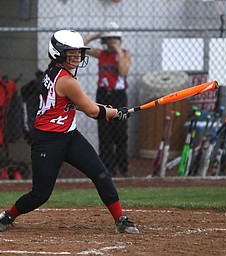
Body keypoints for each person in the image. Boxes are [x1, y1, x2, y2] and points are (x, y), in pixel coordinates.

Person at [0, 29, 139, 234]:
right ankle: (7, 216)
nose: (76, 57)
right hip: (47, 139)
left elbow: (83, 104)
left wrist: (112, 111)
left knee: (100, 174)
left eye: (78, 53)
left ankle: (121, 219)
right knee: (40, 194)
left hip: (69, 135)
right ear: (57, 53)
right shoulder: (66, 80)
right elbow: (91, 111)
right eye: (70, 53)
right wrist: (116, 113)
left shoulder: (56, 73)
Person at [84, 21, 131, 177]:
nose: (110, 42)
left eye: (114, 39)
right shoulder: (101, 54)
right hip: (103, 94)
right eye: (108, 40)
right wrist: (98, 35)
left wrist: (117, 48)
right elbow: (82, 45)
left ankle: (123, 167)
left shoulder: (124, 54)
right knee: (105, 133)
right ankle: (107, 168)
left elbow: (123, 72)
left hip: (118, 96)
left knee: (120, 132)